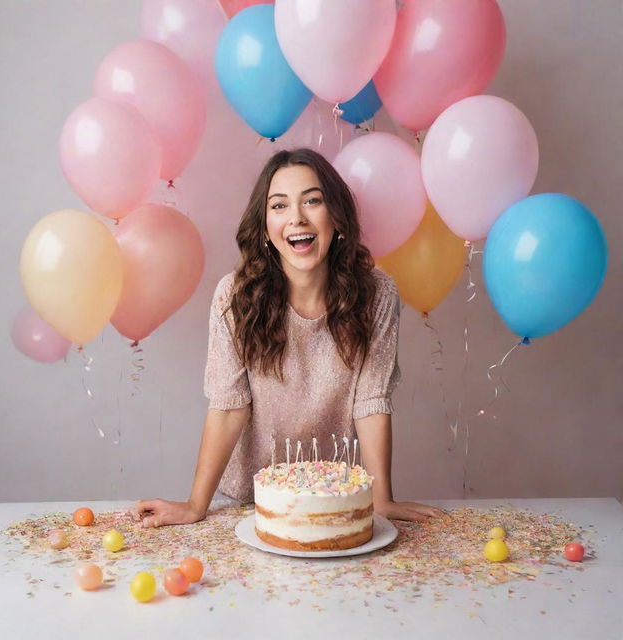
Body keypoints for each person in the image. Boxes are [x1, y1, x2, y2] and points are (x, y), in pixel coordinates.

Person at [133, 148, 447, 528]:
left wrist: (381, 499)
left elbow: (371, 401)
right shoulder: (234, 296)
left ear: (336, 216)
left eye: (312, 201)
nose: (297, 217)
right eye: (279, 206)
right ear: (265, 226)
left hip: (332, 502)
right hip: (246, 503)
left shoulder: (377, 294)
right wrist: (195, 505)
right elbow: (230, 407)